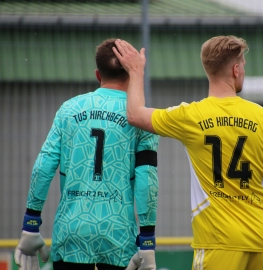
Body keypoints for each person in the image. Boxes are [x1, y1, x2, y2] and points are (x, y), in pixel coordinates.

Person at [112, 35, 263, 270]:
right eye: (243, 65)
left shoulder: (190, 115)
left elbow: (135, 114)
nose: (243, 69)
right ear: (235, 69)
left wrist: (136, 71)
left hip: (218, 243)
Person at [14, 38, 159, 270]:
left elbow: (43, 166)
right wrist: (148, 240)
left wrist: (30, 224)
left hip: (70, 235)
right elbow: (147, 181)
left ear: (98, 75)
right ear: (133, 73)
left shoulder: (68, 109)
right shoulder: (142, 118)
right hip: (119, 239)